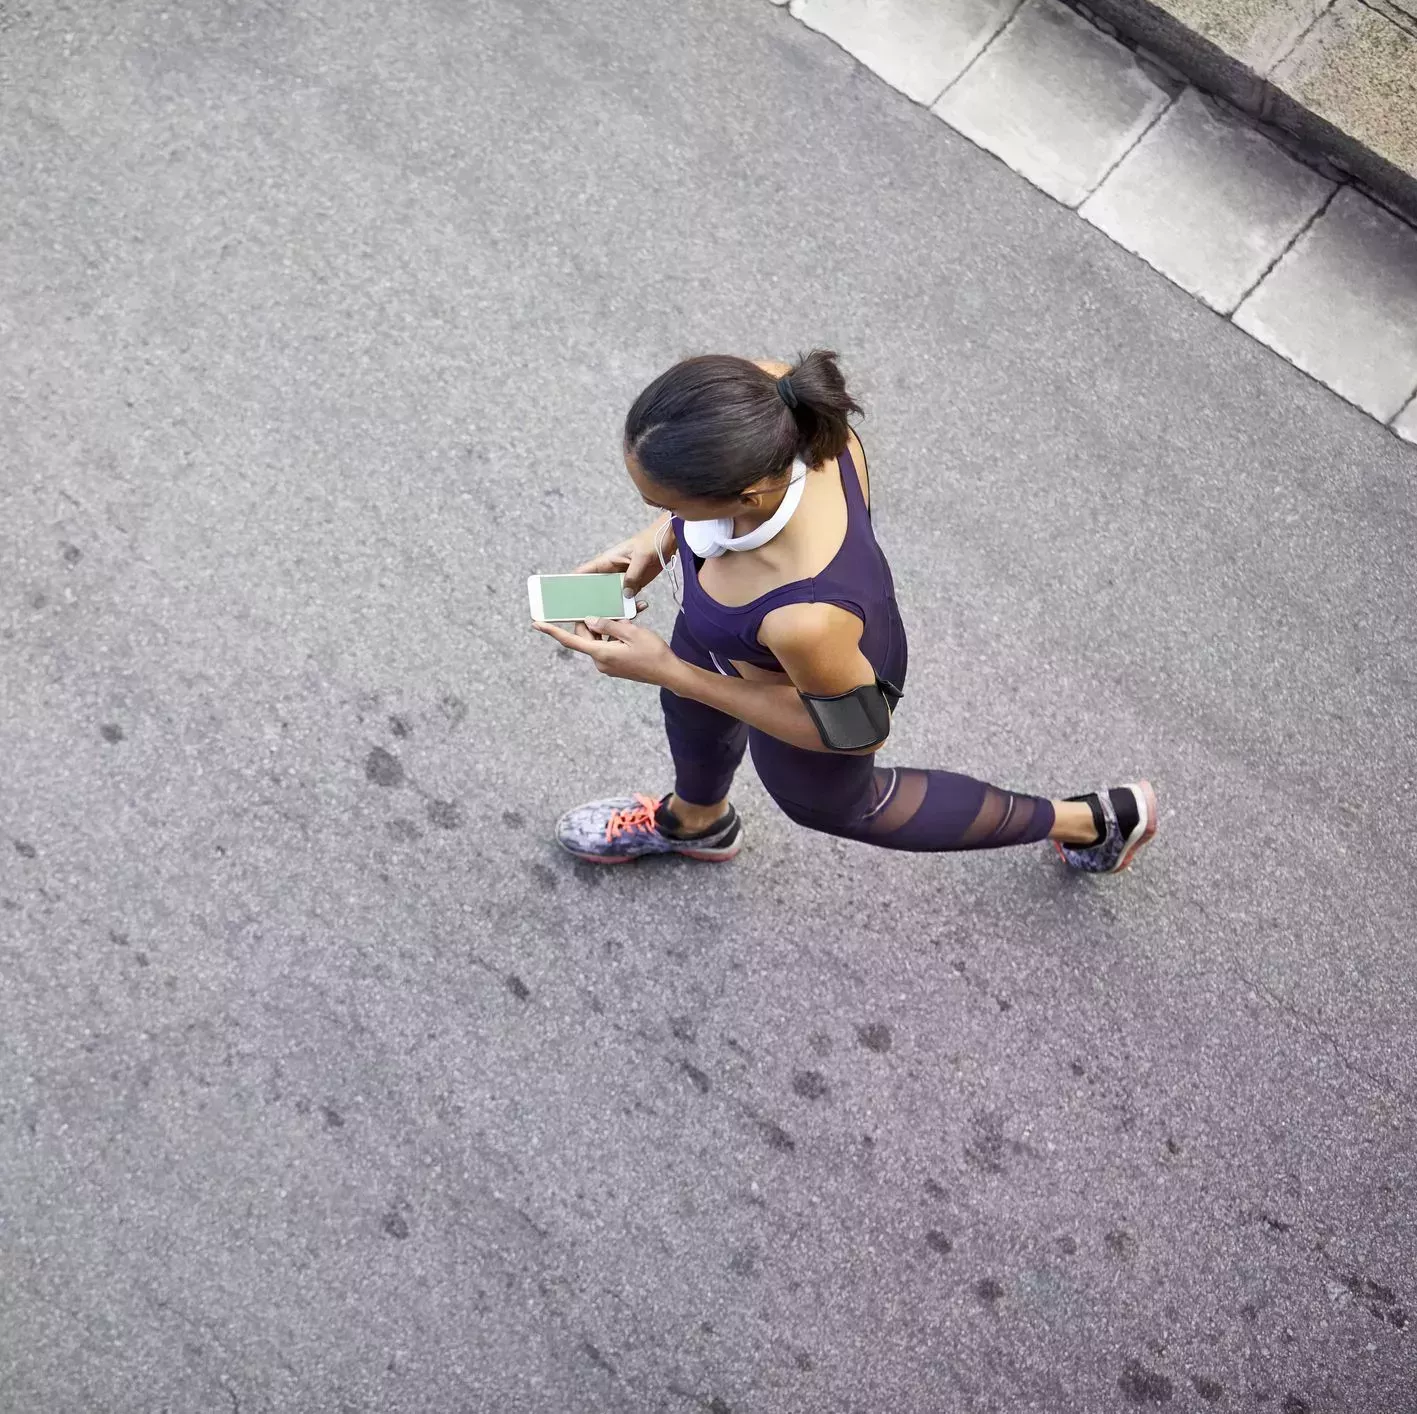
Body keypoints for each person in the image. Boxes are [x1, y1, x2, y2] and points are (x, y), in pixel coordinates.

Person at [534, 351, 1156, 873]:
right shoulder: (776, 407)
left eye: (662, 502)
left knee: (836, 806)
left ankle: (1092, 821)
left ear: (744, 495)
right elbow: (699, 513)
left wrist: (669, 670)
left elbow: (858, 730)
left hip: (816, 673)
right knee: (691, 713)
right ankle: (694, 823)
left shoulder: (803, 619)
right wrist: (656, 541)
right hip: (731, 637)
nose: (657, 511)